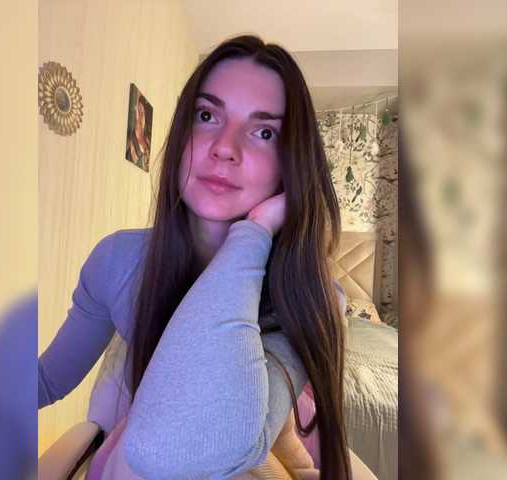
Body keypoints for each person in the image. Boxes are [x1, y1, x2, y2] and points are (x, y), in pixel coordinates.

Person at [39, 35, 351, 479]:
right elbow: (46, 381)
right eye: (207, 116)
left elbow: (193, 445)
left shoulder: (310, 299)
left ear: (291, 164)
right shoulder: (118, 261)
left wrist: (255, 233)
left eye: (264, 132)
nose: (224, 147)